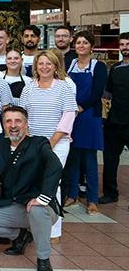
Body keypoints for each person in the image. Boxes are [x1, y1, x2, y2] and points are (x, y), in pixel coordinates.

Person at [0, 106, 61, 271]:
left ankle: (43, 259)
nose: (13, 125)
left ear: (26, 124)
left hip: (42, 209)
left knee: (37, 210)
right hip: (14, 206)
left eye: (18, 120)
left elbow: (55, 165)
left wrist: (43, 198)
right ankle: (19, 236)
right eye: (8, 121)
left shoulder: (39, 143)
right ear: (3, 125)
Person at [19, 50, 77, 241]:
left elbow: (69, 115)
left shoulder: (63, 88)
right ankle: (31, 226)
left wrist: (50, 142)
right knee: (32, 181)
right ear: (35, 66)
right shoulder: (29, 88)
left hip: (57, 143)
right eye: (41, 63)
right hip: (32, 143)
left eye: (48, 64)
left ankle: (54, 230)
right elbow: (22, 115)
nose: (44, 67)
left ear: (55, 67)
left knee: (53, 183)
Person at [63, 31, 107, 215]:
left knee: (89, 159)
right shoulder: (69, 64)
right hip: (71, 115)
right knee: (72, 157)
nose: (81, 46)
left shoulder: (99, 66)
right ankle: (72, 195)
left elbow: (97, 93)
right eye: (78, 43)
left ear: (91, 46)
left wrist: (80, 107)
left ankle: (92, 199)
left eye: (85, 43)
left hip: (89, 116)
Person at [100, 32, 129, 205]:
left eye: (128, 44)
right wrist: (105, 118)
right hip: (115, 123)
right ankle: (110, 193)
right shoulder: (115, 69)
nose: (125, 48)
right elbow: (107, 95)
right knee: (110, 160)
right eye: (123, 45)